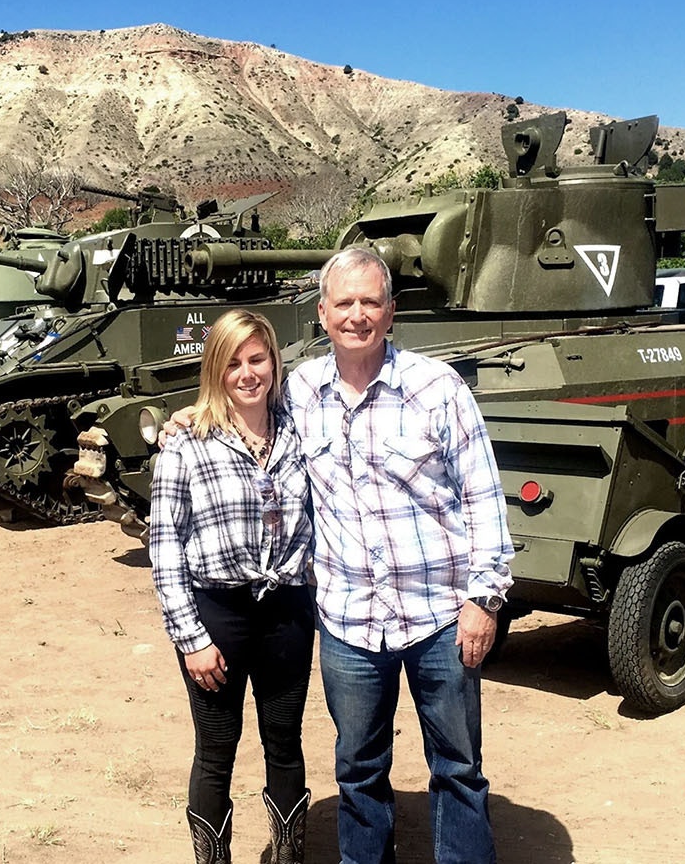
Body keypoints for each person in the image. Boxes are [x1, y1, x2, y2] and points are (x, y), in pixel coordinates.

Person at [166, 248, 515, 863]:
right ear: (322, 313)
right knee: (357, 769)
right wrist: (189, 416)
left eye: (371, 302)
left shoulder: (438, 389)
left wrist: (484, 599)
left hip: (439, 615)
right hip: (349, 622)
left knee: (458, 767)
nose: (358, 315)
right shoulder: (302, 392)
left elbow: (483, 497)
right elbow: (237, 403)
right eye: (344, 303)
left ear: (391, 311)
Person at [150, 309, 317, 864]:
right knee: (217, 749)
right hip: (217, 614)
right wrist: (190, 638)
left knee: (284, 740)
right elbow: (165, 545)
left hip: (288, 610)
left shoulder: (300, 430)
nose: (248, 374)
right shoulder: (187, 441)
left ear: (274, 363)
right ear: (215, 370)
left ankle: (288, 856)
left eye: (258, 359)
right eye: (233, 363)